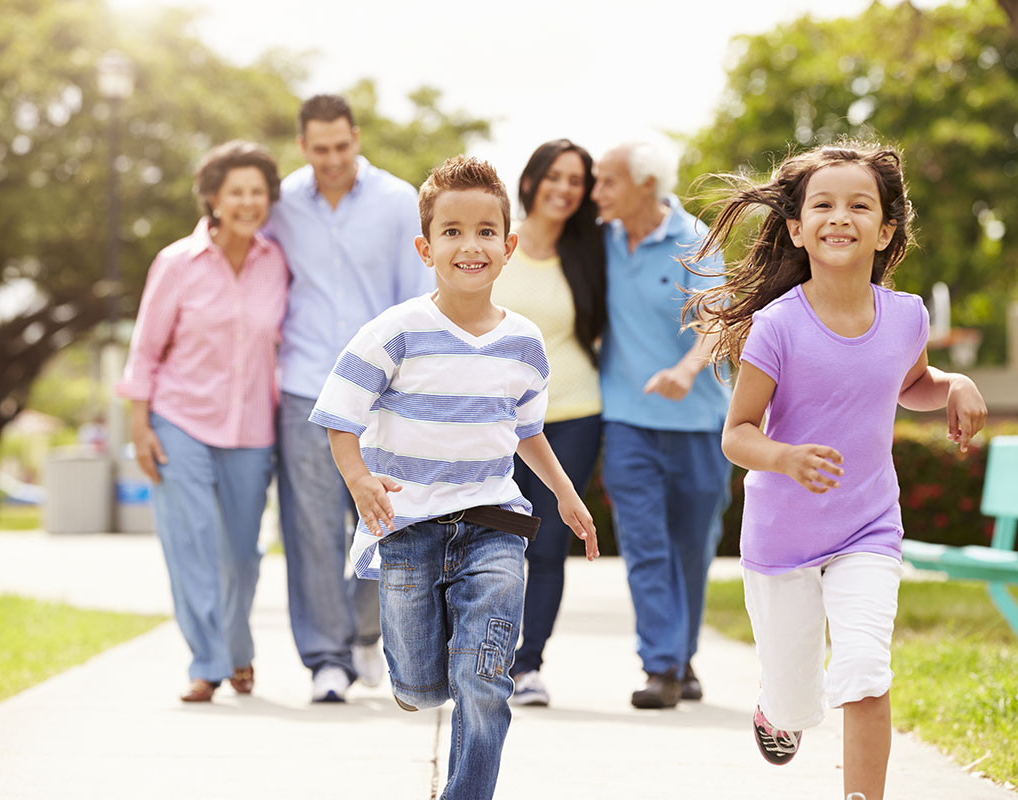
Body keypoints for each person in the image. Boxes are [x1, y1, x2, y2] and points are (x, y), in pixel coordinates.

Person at [686, 141, 987, 800]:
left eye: (859, 205)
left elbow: (909, 382)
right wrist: (784, 457)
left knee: (864, 670)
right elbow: (736, 434)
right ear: (796, 227)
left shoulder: (906, 316)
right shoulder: (777, 327)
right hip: (782, 539)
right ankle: (777, 712)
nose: (839, 217)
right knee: (797, 704)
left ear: (885, 230)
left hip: (868, 529)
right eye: (822, 204)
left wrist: (954, 382)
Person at [310, 155, 598, 800]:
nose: (470, 245)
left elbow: (526, 432)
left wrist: (566, 494)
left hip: (495, 522)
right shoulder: (395, 332)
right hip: (409, 526)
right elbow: (339, 413)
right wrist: (359, 480)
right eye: (452, 231)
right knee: (417, 684)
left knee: (484, 676)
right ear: (426, 246)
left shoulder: (524, 342)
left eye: (486, 231)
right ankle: (420, 675)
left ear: (508, 245)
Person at [265, 94, 432, 702]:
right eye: (319, 149)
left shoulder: (397, 202)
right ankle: (325, 660)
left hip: (375, 394)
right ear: (304, 146)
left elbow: (415, 298)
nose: (332, 159)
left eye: (342, 146)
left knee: (379, 520)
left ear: (356, 138)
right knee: (308, 528)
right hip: (302, 386)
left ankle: (365, 632)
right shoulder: (279, 203)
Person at [116, 140, 288, 703]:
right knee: (190, 542)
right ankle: (207, 662)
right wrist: (139, 426)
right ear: (213, 198)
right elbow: (145, 351)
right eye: (235, 191)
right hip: (178, 421)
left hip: (252, 430)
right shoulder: (175, 263)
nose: (246, 201)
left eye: (257, 192)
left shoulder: (276, 263)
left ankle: (237, 648)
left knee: (241, 553)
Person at [591, 141, 732, 709]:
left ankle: (682, 653)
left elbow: (716, 322)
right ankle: (662, 666)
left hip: (698, 422)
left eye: (608, 182)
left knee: (692, 549)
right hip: (627, 420)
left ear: (646, 184)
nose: (595, 193)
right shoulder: (596, 242)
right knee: (646, 546)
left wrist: (686, 369)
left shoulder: (695, 242)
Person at [492, 139, 606, 707]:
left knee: (549, 539)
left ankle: (528, 664)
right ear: (533, 180)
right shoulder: (497, 243)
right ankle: (482, 655)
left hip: (573, 414)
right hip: (493, 421)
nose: (565, 189)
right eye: (555, 176)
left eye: (576, 180)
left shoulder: (590, 252)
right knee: (489, 538)